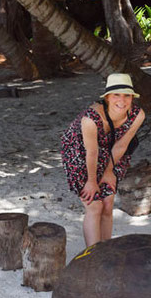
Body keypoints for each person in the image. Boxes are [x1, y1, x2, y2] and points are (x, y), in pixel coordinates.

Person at [61, 73, 146, 247]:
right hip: (81, 151)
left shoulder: (137, 115)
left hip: (112, 152)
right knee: (94, 206)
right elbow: (91, 152)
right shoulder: (90, 119)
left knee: (107, 205)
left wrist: (108, 172)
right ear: (107, 97)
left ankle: (106, 251)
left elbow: (122, 145)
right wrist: (92, 181)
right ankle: (92, 255)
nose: (122, 101)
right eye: (116, 95)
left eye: (127, 95)